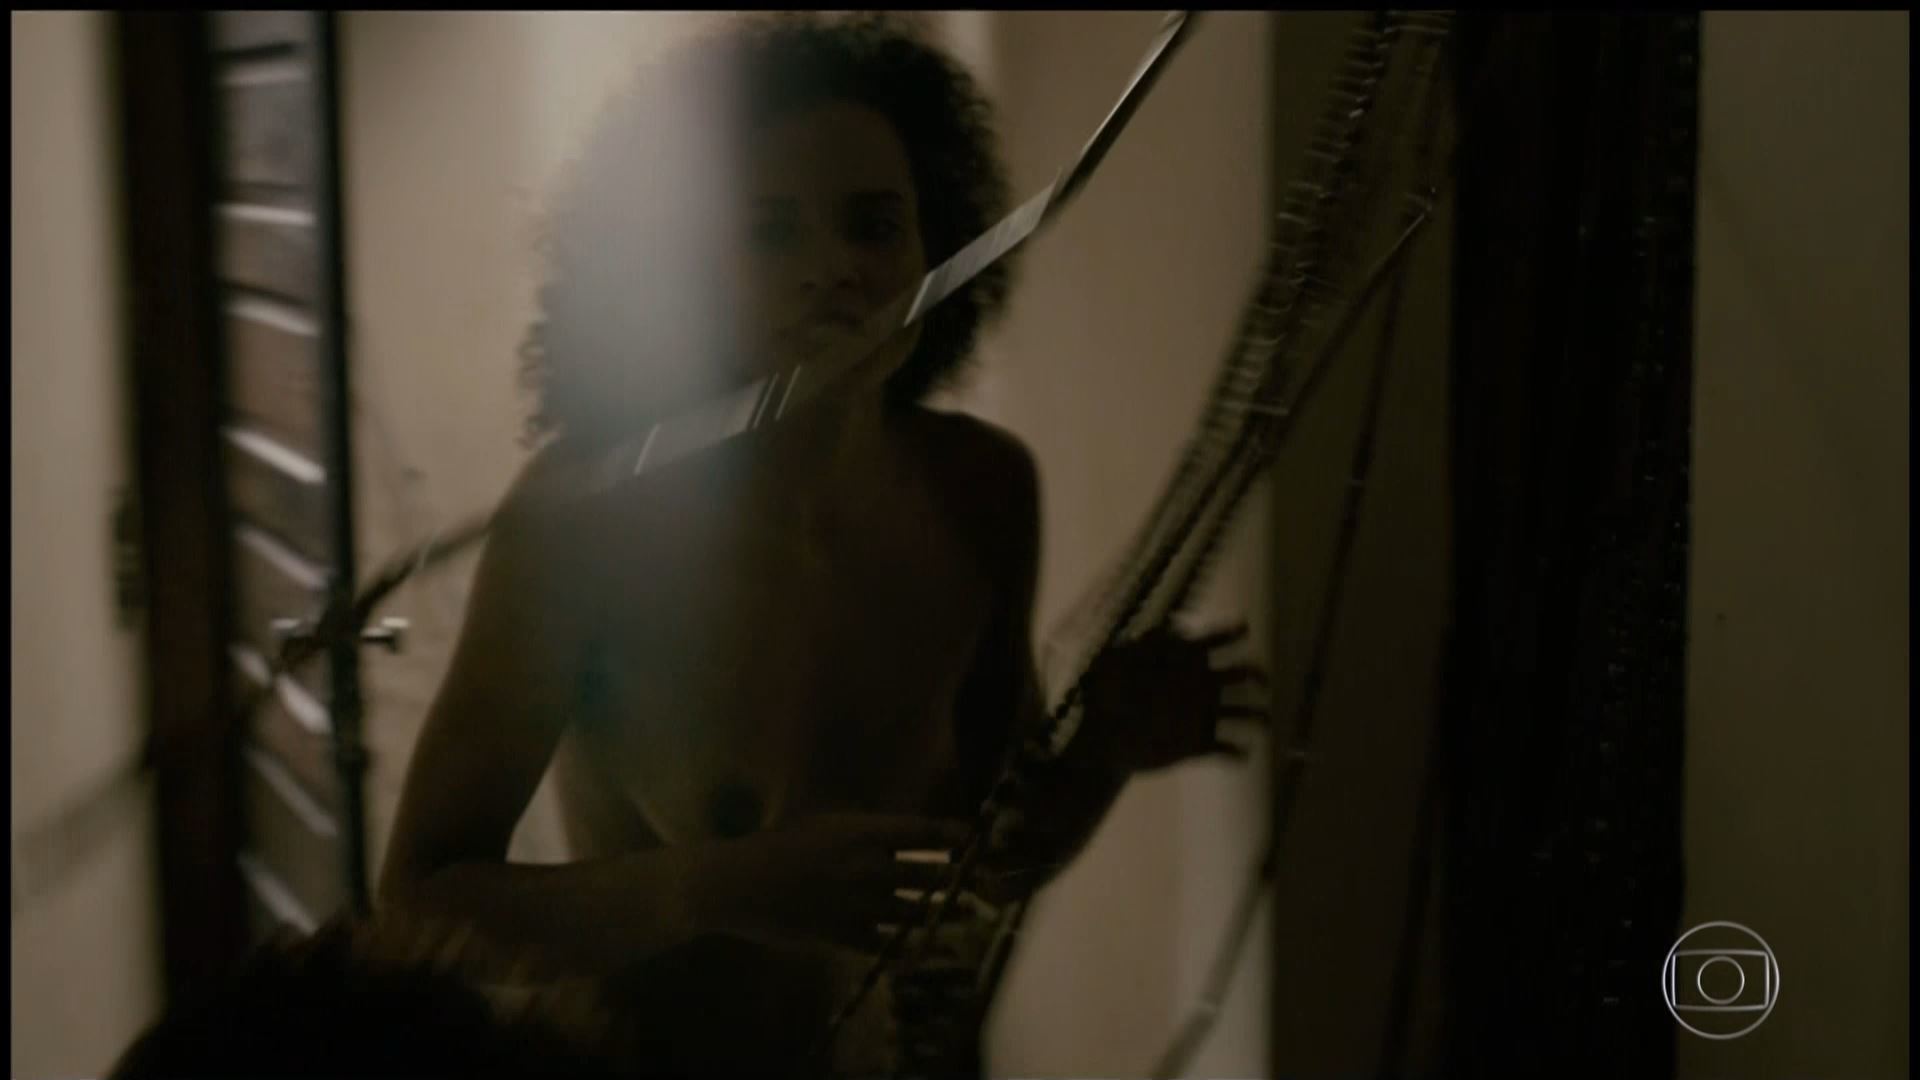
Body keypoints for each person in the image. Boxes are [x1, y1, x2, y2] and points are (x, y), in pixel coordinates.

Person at [377, 12, 1267, 1076]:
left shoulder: (981, 490)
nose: (834, 269)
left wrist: (1103, 757)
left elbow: (989, 857)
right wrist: (719, 888)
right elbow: (421, 902)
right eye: (772, 232)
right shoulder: (588, 523)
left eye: (873, 225)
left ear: (940, 244)